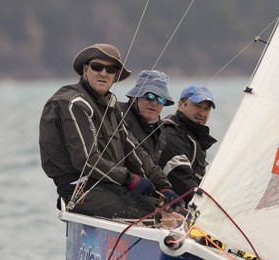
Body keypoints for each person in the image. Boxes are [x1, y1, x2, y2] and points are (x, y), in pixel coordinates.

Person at [39, 43, 182, 226]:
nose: (103, 73)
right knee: (162, 221)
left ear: (115, 76)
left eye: (111, 69)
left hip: (108, 186)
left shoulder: (111, 108)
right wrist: (131, 179)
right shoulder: (73, 103)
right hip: (79, 190)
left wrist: (163, 185)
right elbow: (86, 162)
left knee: (178, 215)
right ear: (85, 69)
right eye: (97, 67)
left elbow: (135, 152)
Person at [158, 84, 218, 205]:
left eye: (206, 109)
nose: (202, 113)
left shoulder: (195, 138)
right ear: (180, 105)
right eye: (197, 106)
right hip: (169, 208)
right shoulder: (170, 134)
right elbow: (183, 182)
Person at [118, 69, 174, 163]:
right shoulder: (117, 114)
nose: (155, 103)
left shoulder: (160, 131)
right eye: (150, 96)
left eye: (161, 99)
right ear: (135, 97)